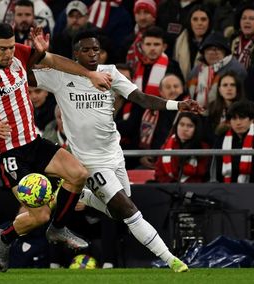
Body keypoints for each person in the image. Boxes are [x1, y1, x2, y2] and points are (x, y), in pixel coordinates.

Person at [32, 29, 203, 272]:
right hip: (91, 163)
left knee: (118, 211)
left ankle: (86, 197)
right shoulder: (59, 76)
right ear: (75, 54)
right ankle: (172, 260)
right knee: (131, 212)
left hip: (115, 155)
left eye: (96, 49)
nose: (93, 54)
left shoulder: (110, 73)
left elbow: (142, 99)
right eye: (86, 50)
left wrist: (178, 105)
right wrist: (38, 55)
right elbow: (26, 77)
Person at [0, 23, 111, 273]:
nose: (9, 53)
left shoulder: (18, 52)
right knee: (38, 215)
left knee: (79, 174)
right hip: (8, 152)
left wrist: (90, 74)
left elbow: (55, 61)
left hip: (33, 141)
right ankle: (5, 237)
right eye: (3, 49)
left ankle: (58, 228)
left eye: (11, 47)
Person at [213, 100, 254, 183]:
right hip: (226, 188)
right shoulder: (221, 138)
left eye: (242, 118)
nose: (238, 123)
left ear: (252, 119)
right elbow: (216, 168)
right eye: (234, 118)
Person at [154, 112, 210, 183]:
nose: (185, 129)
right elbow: (159, 172)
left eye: (190, 126)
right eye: (181, 124)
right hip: (167, 187)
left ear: (196, 129)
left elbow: (202, 174)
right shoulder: (167, 145)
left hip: (193, 189)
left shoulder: (203, 148)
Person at [173, 4, 212, 80]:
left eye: (203, 19)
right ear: (189, 21)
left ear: (209, 22)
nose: (199, 23)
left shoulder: (216, 42)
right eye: (195, 19)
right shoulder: (180, 40)